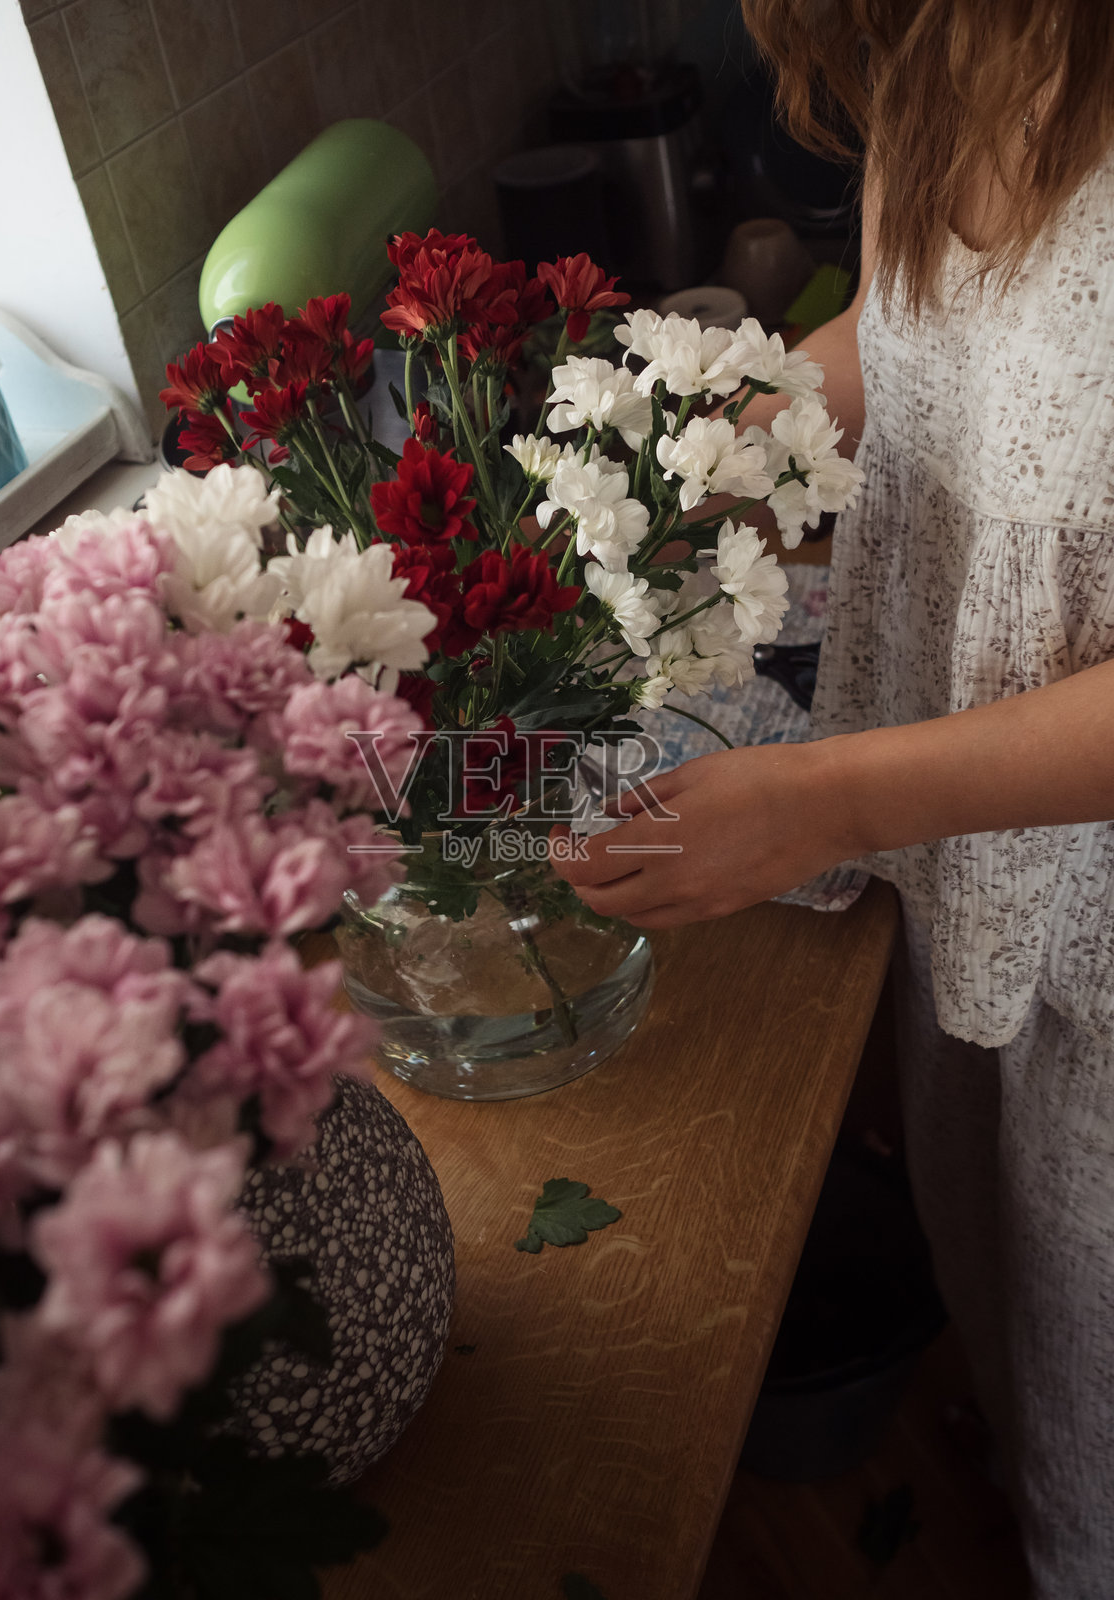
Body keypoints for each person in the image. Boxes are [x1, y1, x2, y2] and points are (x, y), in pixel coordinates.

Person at [550, 3, 1114, 1594]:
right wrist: (703, 447)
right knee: (1009, 1296)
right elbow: (912, 333)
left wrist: (826, 805)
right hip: (972, 859)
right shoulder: (947, 41)